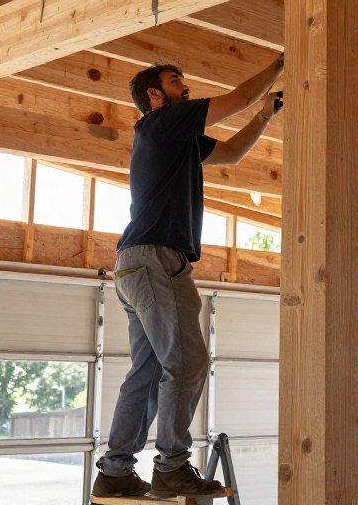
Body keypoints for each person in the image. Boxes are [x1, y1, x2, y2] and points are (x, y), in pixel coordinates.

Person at [91, 53, 285, 501]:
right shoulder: (166, 121)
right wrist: (277, 63)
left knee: (150, 370)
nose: (187, 87)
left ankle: (116, 470)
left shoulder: (179, 138)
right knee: (187, 361)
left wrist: (265, 114)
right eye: (177, 81)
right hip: (155, 261)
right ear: (155, 95)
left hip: (142, 263)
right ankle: (172, 466)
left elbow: (233, 152)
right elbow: (236, 97)